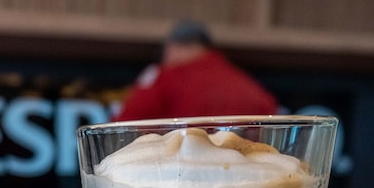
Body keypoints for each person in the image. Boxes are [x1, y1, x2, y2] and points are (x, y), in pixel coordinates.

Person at [115, 20, 278, 121]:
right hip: (243, 167)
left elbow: (123, 126)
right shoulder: (248, 85)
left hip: (177, 166)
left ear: (173, 47)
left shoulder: (162, 77)